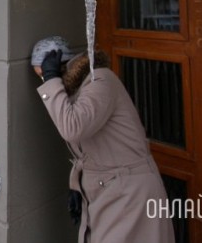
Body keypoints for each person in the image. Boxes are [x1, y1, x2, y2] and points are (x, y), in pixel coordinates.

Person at [32, 36, 175, 243]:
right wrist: (76, 186)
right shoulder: (74, 92)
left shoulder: (100, 80)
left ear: (62, 66)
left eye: (44, 76)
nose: (44, 82)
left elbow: (73, 128)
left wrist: (51, 80)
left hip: (130, 192)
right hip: (107, 191)